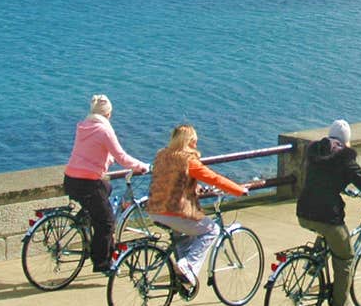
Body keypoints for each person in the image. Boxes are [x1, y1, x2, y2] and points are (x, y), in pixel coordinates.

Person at [295, 120, 361, 306]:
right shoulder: (345, 159)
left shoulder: (315, 151)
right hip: (326, 216)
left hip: (303, 211)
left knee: (327, 236)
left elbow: (321, 179)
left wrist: (341, 187)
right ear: (346, 140)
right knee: (346, 257)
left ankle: (314, 263)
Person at [146, 124, 249, 289]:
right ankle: (188, 266)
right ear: (189, 141)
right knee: (212, 230)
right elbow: (214, 179)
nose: (196, 144)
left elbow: (171, 180)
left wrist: (195, 187)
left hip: (155, 210)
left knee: (184, 238)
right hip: (175, 212)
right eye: (194, 141)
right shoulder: (188, 160)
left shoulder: (162, 155)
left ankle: (182, 276)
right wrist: (238, 190)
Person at [63, 94, 150, 274]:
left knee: (107, 188)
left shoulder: (83, 126)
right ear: (108, 114)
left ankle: (86, 218)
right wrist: (143, 166)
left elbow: (90, 151)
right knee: (107, 223)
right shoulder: (105, 130)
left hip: (71, 179)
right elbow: (122, 157)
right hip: (88, 183)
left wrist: (106, 159)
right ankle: (102, 263)